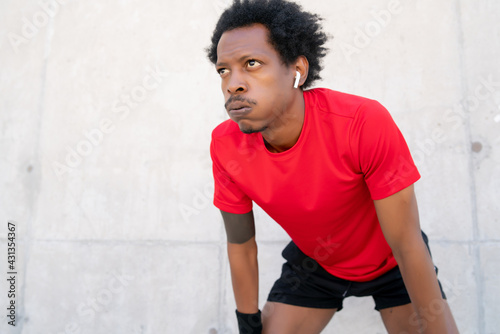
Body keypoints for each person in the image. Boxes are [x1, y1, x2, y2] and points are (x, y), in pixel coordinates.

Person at [206, 0, 459, 333]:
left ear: (297, 70)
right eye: (224, 70)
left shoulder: (362, 123)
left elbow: (407, 243)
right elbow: (240, 243)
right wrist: (247, 321)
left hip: (393, 263)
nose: (232, 83)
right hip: (316, 264)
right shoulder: (226, 146)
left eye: (251, 63)